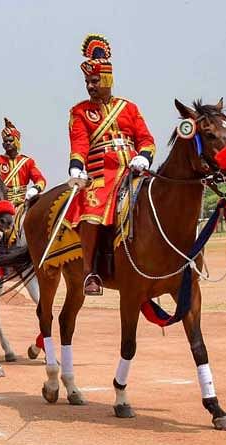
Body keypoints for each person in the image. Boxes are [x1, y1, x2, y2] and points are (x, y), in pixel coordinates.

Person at [64, 34, 156, 296]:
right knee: (92, 209)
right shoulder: (80, 111)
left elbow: (146, 139)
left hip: (133, 169)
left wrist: (144, 156)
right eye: (87, 82)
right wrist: (75, 167)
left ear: (107, 79)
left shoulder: (129, 108)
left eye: (94, 81)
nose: (90, 87)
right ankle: (90, 271)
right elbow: (80, 143)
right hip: (101, 174)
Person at [0, 118, 46, 208]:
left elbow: (41, 180)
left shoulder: (27, 162)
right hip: (4, 204)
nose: (8, 143)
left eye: (10, 141)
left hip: (24, 202)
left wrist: (35, 189)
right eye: (5, 141)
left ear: (16, 142)